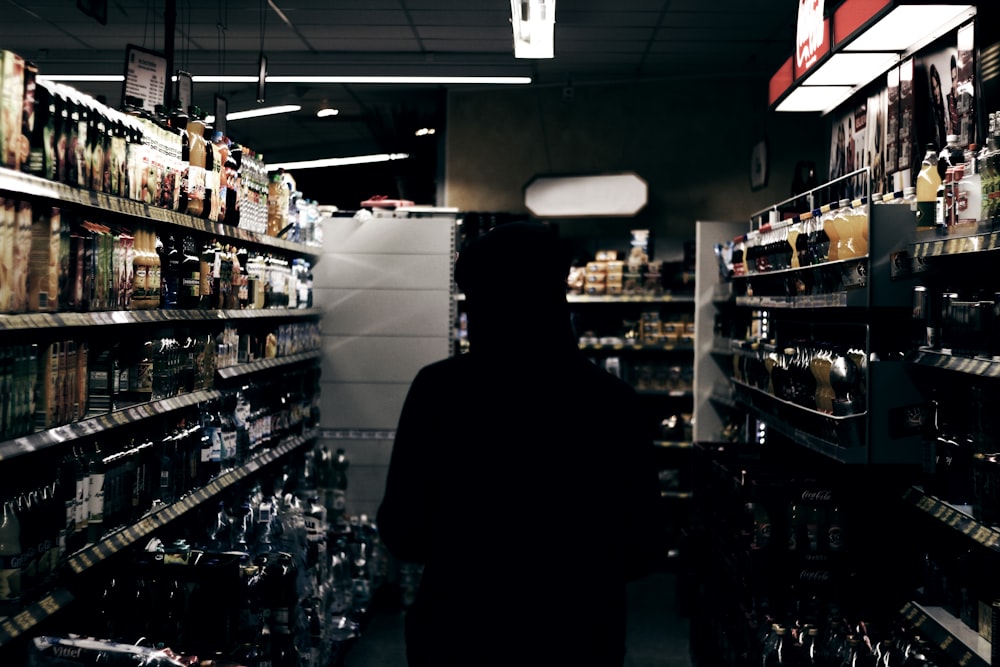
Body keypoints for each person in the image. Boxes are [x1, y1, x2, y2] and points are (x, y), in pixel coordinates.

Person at [377, 221, 666, 667]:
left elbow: (402, 530)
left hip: (459, 635)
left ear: (489, 305)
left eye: (474, 303)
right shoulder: (612, 402)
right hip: (578, 638)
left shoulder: (439, 392)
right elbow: (645, 547)